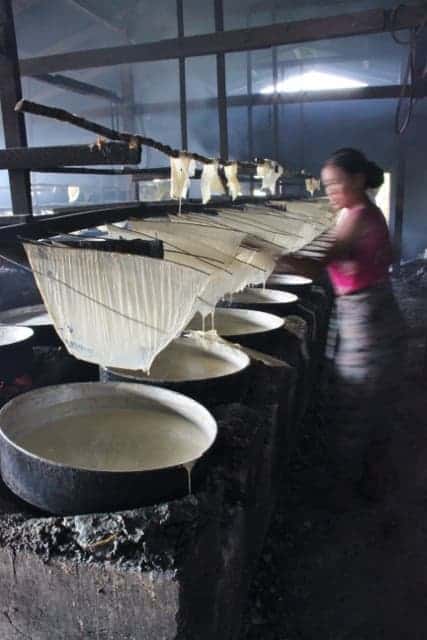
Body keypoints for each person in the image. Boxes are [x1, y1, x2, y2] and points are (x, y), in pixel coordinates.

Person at [276, 148, 407, 504]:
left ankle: (347, 490)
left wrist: (265, 256)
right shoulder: (358, 212)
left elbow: (315, 266)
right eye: (327, 185)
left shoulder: (358, 215)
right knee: (364, 398)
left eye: (336, 183)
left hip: (368, 319)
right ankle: (365, 477)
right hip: (369, 311)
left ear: (358, 179)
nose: (330, 191)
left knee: (357, 398)